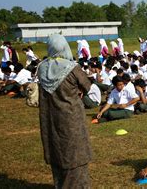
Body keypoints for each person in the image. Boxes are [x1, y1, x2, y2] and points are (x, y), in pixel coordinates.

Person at [38, 34, 93, 188]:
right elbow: (87, 86)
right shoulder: (72, 68)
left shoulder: (42, 68)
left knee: (57, 150)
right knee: (75, 153)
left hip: (50, 117)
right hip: (71, 118)